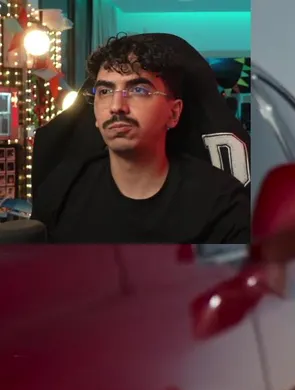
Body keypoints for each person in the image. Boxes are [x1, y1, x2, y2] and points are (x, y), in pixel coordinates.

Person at [31, 34, 249, 244]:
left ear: (173, 113)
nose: (117, 106)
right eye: (105, 91)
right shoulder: (62, 191)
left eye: (138, 90)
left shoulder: (222, 204)